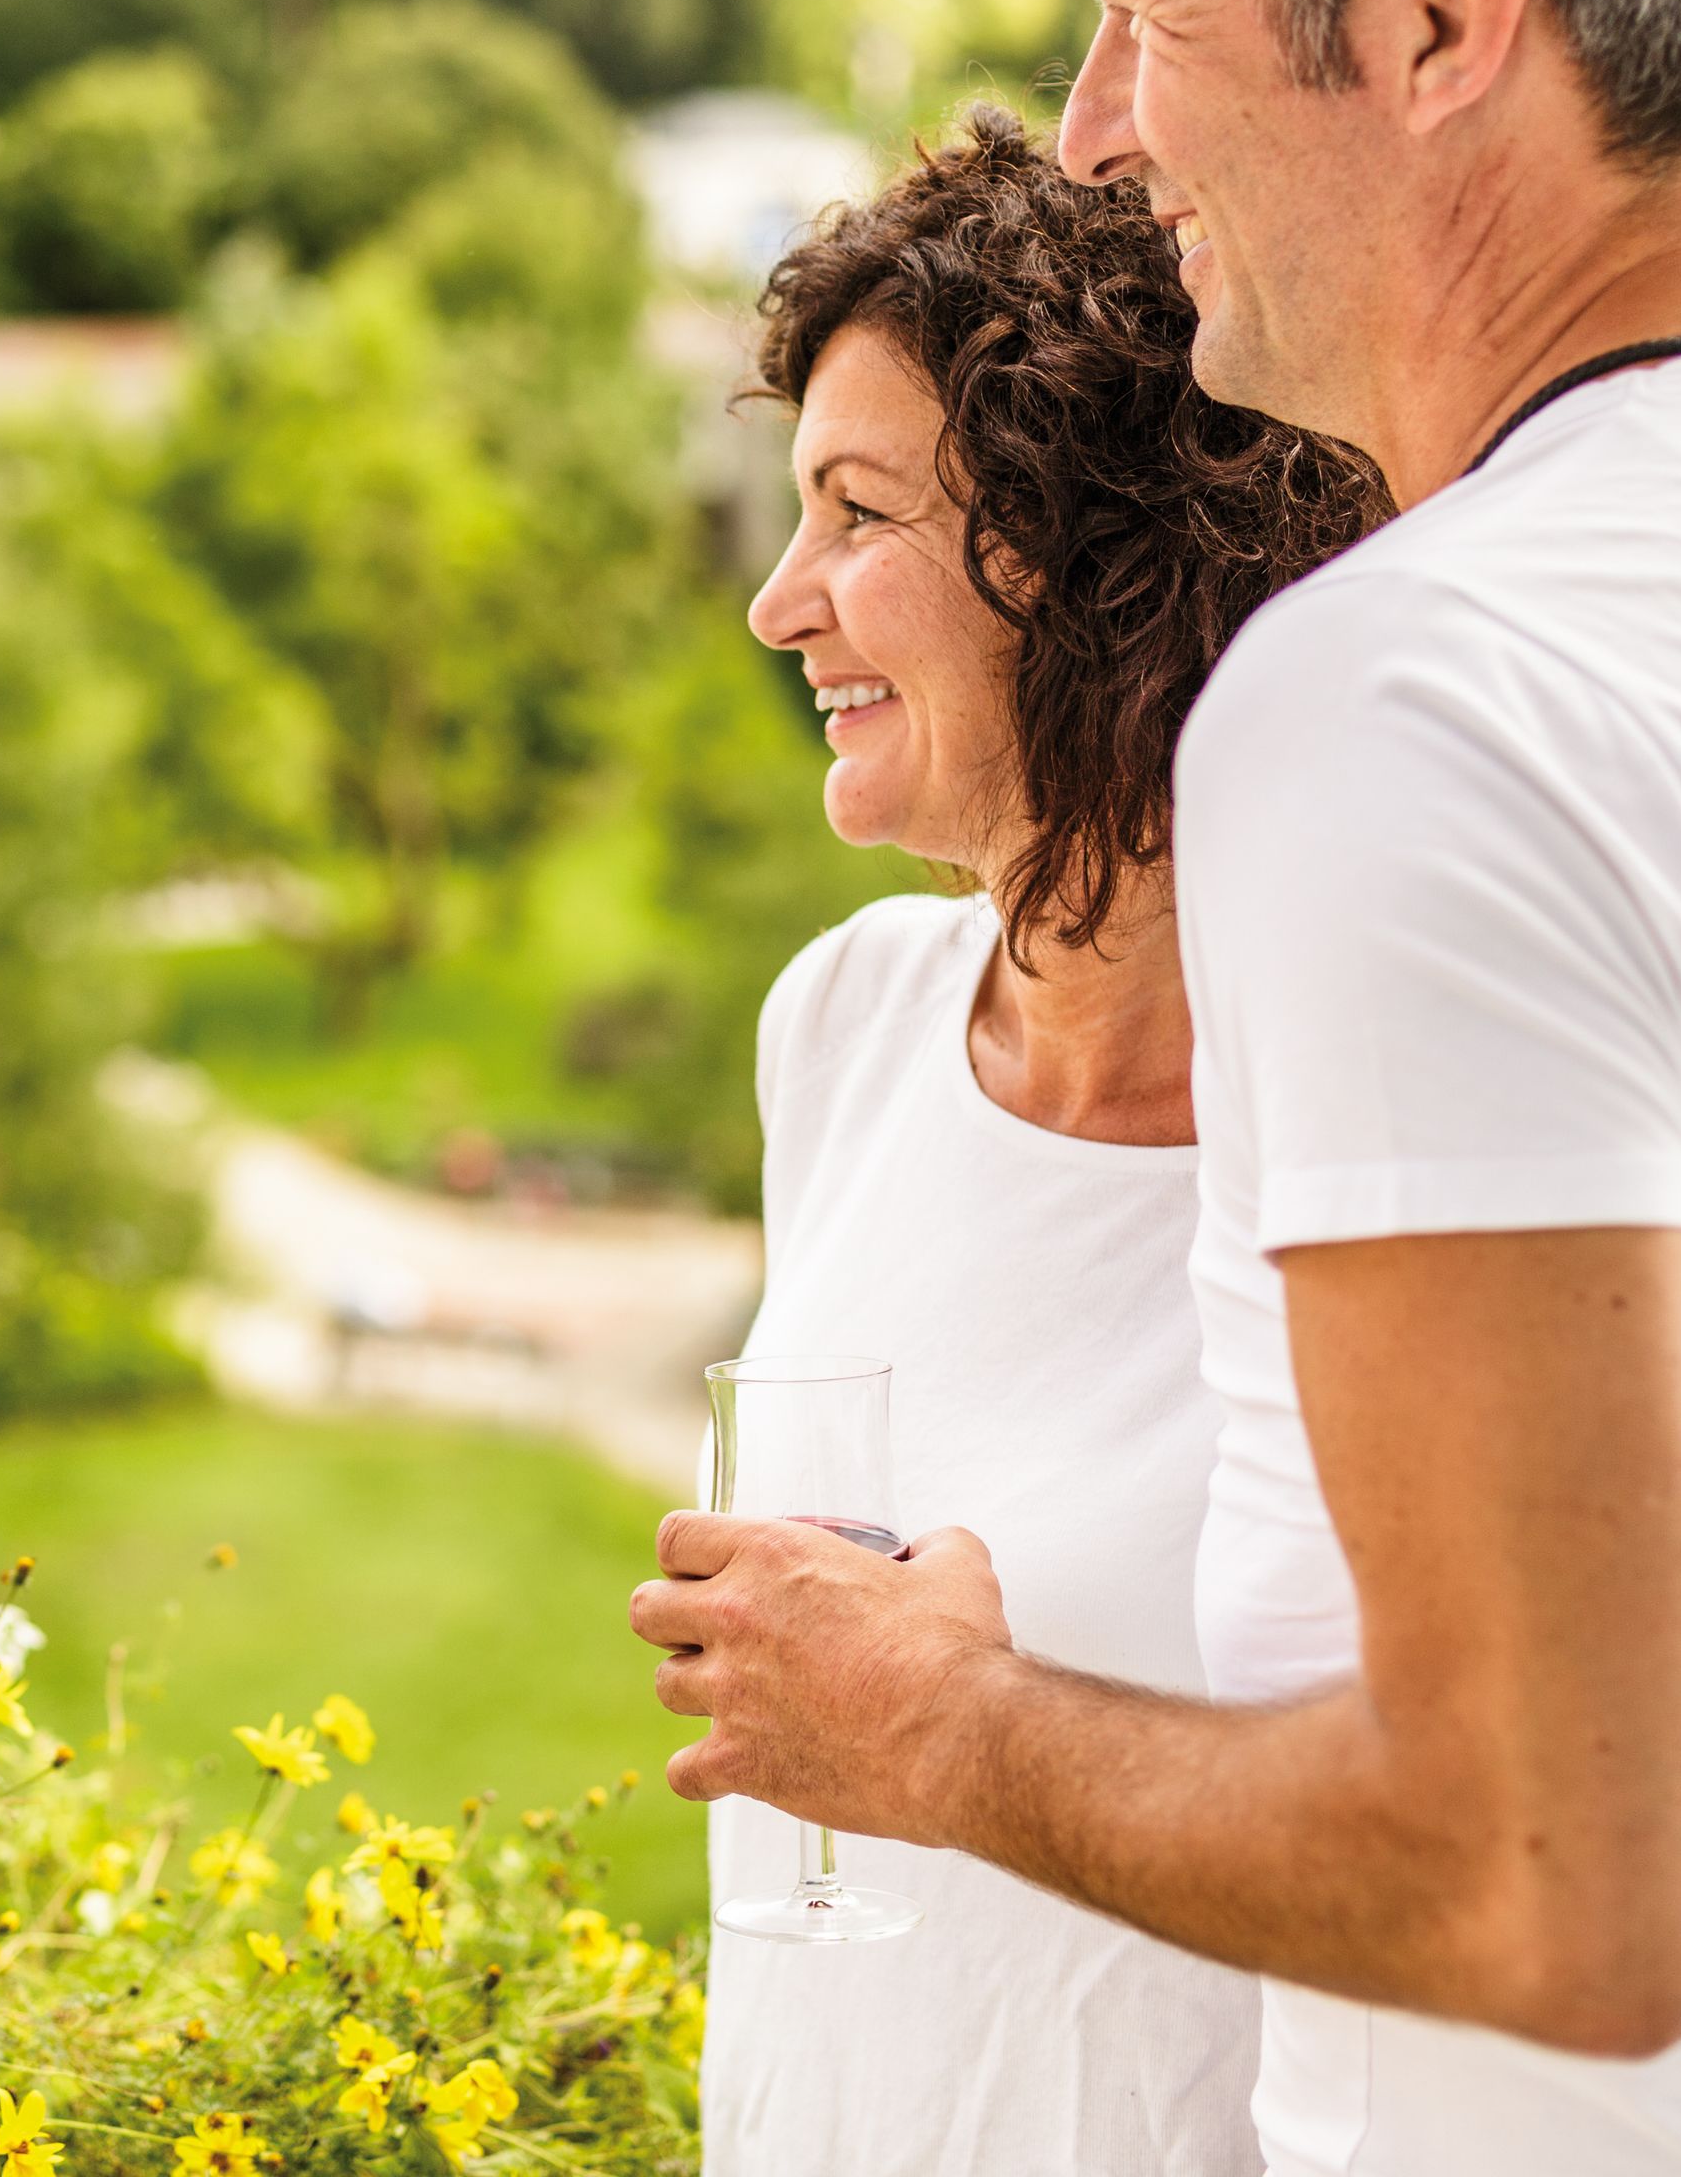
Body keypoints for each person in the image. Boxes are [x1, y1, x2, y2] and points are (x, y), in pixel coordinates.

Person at [630, 0, 1681, 2172]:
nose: (1097, 129)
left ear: (1437, 9)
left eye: (1145, 4)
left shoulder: (1419, 691)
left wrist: (934, 1725)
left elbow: (1575, 1888)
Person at [706, 107, 1382, 2175]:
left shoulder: (1376, 1136)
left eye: (859, 514)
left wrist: (973, 1724)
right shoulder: (843, 1030)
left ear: (1091, 563)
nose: (776, 601)